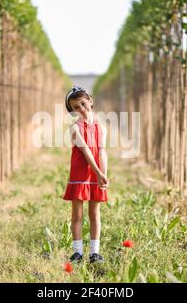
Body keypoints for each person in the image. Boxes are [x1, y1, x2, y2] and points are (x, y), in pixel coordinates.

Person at [63, 85, 109, 264]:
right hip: (80, 174)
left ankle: (94, 253)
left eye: (83, 103)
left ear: (90, 100)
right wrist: (97, 173)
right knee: (77, 215)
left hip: (97, 174)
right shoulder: (74, 128)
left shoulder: (101, 128)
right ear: (72, 111)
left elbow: (101, 151)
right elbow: (86, 152)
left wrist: (103, 174)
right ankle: (77, 253)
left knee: (95, 214)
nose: (81, 109)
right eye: (76, 107)